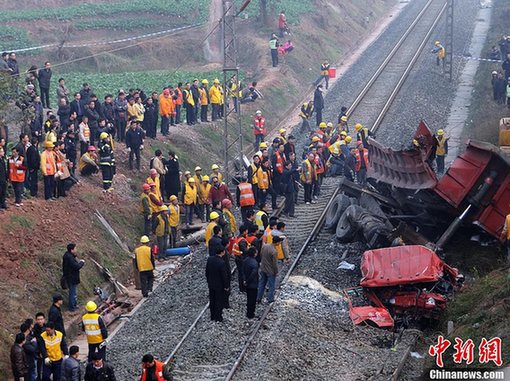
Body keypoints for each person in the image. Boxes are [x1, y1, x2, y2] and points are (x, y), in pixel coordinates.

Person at [206, 246, 230, 322]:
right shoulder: (222, 263)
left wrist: (208, 281)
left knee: (212, 299)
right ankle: (218, 317)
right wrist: (226, 286)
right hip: (219, 285)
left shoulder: (210, 259)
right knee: (219, 300)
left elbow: (207, 272)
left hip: (211, 283)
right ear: (222, 252)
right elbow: (224, 276)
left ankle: (212, 316)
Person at [257, 236, 282, 304]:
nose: (280, 243)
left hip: (263, 268)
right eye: (280, 241)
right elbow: (275, 264)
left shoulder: (265, 246)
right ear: (277, 242)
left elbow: (261, 254)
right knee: (271, 285)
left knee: (262, 283)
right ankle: (270, 299)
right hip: (270, 271)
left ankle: (258, 298)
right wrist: (276, 272)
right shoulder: (274, 251)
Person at [62, 243, 85, 312]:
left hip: (70, 277)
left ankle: (74, 305)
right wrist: (82, 262)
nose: (76, 250)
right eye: (75, 248)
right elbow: (76, 266)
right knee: (72, 293)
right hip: (71, 278)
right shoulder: (69, 258)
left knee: (74, 292)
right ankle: (72, 307)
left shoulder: (68, 255)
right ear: (72, 250)